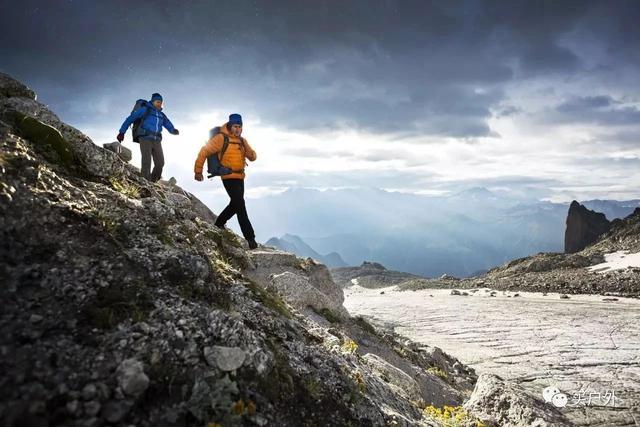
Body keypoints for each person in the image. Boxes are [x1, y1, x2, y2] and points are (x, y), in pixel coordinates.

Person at [194, 113, 258, 249]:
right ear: (230, 125)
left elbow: (252, 157)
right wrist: (198, 171)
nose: (237, 129)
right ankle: (250, 239)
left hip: (240, 177)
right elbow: (204, 151)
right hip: (228, 176)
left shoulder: (242, 141)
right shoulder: (221, 138)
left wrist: (250, 151)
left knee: (235, 204)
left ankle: (219, 223)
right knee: (240, 205)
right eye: (235, 126)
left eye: (240, 127)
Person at [116, 93, 179, 182]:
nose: (159, 104)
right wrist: (122, 132)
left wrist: (173, 130)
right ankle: (145, 181)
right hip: (145, 137)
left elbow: (167, 123)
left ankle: (153, 181)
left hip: (157, 140)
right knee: (146, 161)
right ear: (153, 102)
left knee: (160, 163)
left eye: (161, 102)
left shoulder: (161, 115)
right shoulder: (145, 110)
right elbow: (130, 118)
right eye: (157, 102)